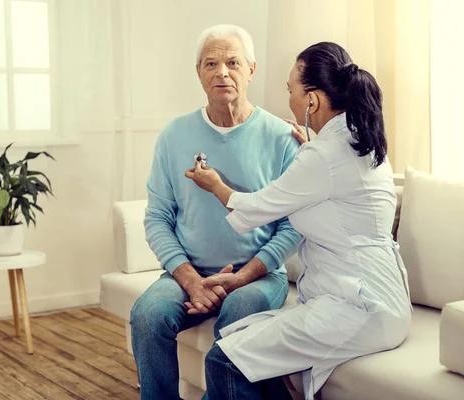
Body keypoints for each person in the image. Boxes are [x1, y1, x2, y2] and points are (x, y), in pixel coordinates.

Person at [186, 42, 412, 400]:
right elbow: (333, 185)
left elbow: (256, 207)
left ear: (312, 101)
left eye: (290, 89)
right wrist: (312, 141)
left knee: (224, 359)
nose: (288, 97)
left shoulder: (323, 156)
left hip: (359, 308)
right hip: (378, 300)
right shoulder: (360, 142)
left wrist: (215, 185)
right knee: (237, 339)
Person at [130, 24, 303, 400]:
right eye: (211, 63)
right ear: (199, 73)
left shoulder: (281, 137)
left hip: (258, 277)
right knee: (147, 315)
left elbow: (292, 226)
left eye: (232, 62)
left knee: (240, 311)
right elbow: (157, 217)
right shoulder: (174, 135)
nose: (222, 71)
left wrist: (243, 276)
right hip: (188, 274)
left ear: (251, 69)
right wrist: (191, 280)